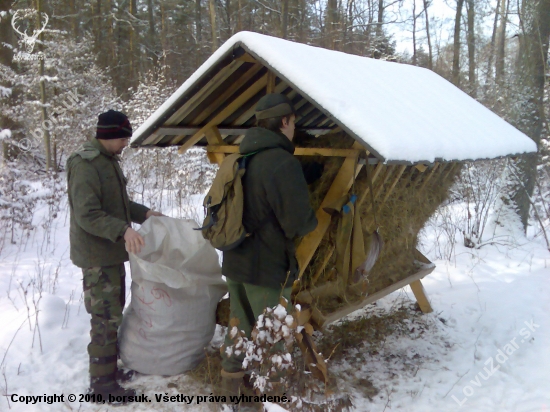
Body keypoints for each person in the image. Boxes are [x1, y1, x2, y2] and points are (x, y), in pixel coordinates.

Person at [220, 94, 318, 400]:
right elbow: (299, 224)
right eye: (293, 124)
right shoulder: (282, 162)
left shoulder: (240, 157)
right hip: (265, 268)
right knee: (273, 337)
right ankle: (272, 399)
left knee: (238, 327)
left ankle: (231, 395)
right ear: (285, 122)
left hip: (235, 260)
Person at [66, 110, 163, 402]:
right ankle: (101, 385)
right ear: (108, 136)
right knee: (104, 318)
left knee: (113, 313)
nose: (125, 144)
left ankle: (108, 371)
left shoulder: (108, 162)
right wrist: (123, 231)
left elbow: (117, 203)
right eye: (123, 138)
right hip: (97, 257)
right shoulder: (86, 165)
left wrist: (145, 213)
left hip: (110, 253)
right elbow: (87, 214)